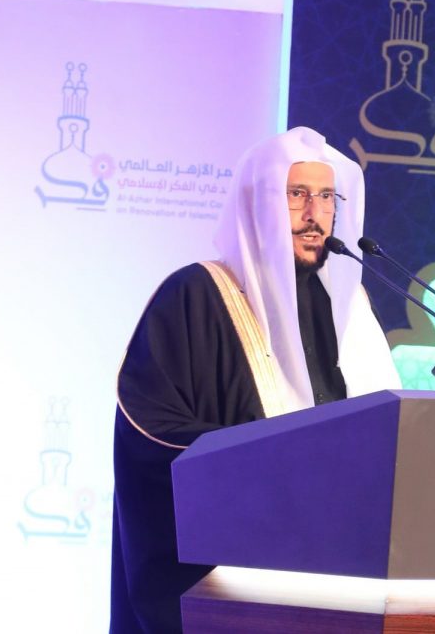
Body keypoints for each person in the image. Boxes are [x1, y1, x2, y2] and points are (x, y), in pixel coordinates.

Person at [109, 127, 401, 633]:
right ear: (259, 202)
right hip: (234, 578)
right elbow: (150, 434)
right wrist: (275, 459)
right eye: (297, 194)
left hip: (339, 568)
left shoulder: (349, 307)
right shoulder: (195, 296)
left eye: (326, 197)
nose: (314, 214)